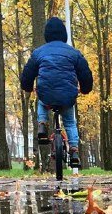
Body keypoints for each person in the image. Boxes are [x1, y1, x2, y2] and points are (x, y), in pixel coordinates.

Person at [20, 17, 93, 168]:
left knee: (41, 100)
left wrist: (28, 87)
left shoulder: (38, 53)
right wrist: (85, 89)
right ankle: (74, 152)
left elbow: (27, 75)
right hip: (67, 96)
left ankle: (42, 125)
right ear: (64, 35)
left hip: (46, 95)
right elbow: (85, 74)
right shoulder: (74, 53)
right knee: (70, 122)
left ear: (47, 35)